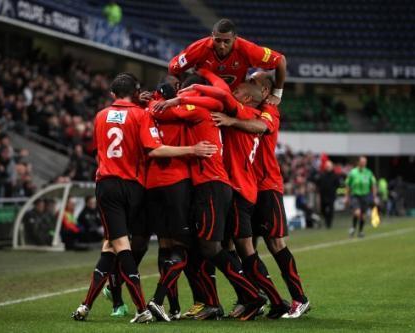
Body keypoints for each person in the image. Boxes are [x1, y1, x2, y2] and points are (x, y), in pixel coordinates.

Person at [71, 72, 218, 323]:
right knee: (165, 245)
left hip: (113, 184)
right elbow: (154, 148)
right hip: (139, 186)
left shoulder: (101, 116)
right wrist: (192, 149)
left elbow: (101, 147)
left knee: (122, 245)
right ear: (137, 92)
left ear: (112, 94)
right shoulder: (144, 114)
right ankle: (152, 305)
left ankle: (130, 303)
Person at [152, 73, 266, 321]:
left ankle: (252, 296)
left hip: (211, 185)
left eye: (188, 91)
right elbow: (219, 94)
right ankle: (220, 301)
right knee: (206, 247)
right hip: (210, 185)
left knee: (211, 247)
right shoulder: (210, 108)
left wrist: (161, 99)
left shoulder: (199, 111)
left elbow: (162, 113)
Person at [183, 68, 290, 319]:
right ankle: (250, 298)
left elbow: (222, 92)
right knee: (231, 245)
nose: (236, 89)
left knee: (241, 248)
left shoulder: (242, 111)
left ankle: (268, 299)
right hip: (244, 188)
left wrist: (200, 75)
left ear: (247, 98)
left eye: (241, 88)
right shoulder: (247, 113)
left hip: (239, 188)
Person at [209, 71, 311, 319]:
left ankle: (299, 298)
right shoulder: (247, 108)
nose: (246, 83)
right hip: (249, 186)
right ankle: (251, 297)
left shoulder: (268, 110)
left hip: (267, 185)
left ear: (265, 91)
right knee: (243, 244)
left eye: (253, 81)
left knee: (275, 243)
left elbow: (262, 126)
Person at [168, 18, 286, 105]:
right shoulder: (198, 48)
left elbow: (280, 60)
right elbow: (174, 68)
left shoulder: (249, 50)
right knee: (193, 80)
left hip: (234, 99)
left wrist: (277, 95)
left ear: (235, 38)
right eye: (218, 41)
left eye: (226, 41)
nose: (222, 46)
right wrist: (178, 88)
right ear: (212, 36)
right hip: (203, 98)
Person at [345, 156, 377, 238]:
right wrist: (346, 197)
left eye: (365, 162)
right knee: (357, 212)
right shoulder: (353, 172)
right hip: (355, 195)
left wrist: (374, 196)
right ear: (358, 162)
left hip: (365, 196)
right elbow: (348, 185)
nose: (364, 163)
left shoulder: (368, 172)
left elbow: (373, 185)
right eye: (362, 162)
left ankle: (360, 231)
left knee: (363, 215)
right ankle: (353, 227)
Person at [316, 160, 340, 229]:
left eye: (329, 166)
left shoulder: (335, 175)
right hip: (323, 195)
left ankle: (329, 224)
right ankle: (326, 219)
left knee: (331, 210)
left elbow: (338, 184)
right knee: (323, 210)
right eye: (327, 166)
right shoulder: (322, 175)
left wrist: (334, 190)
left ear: (332, 167)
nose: (328, 167)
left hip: (331, 195)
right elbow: (318, 183)